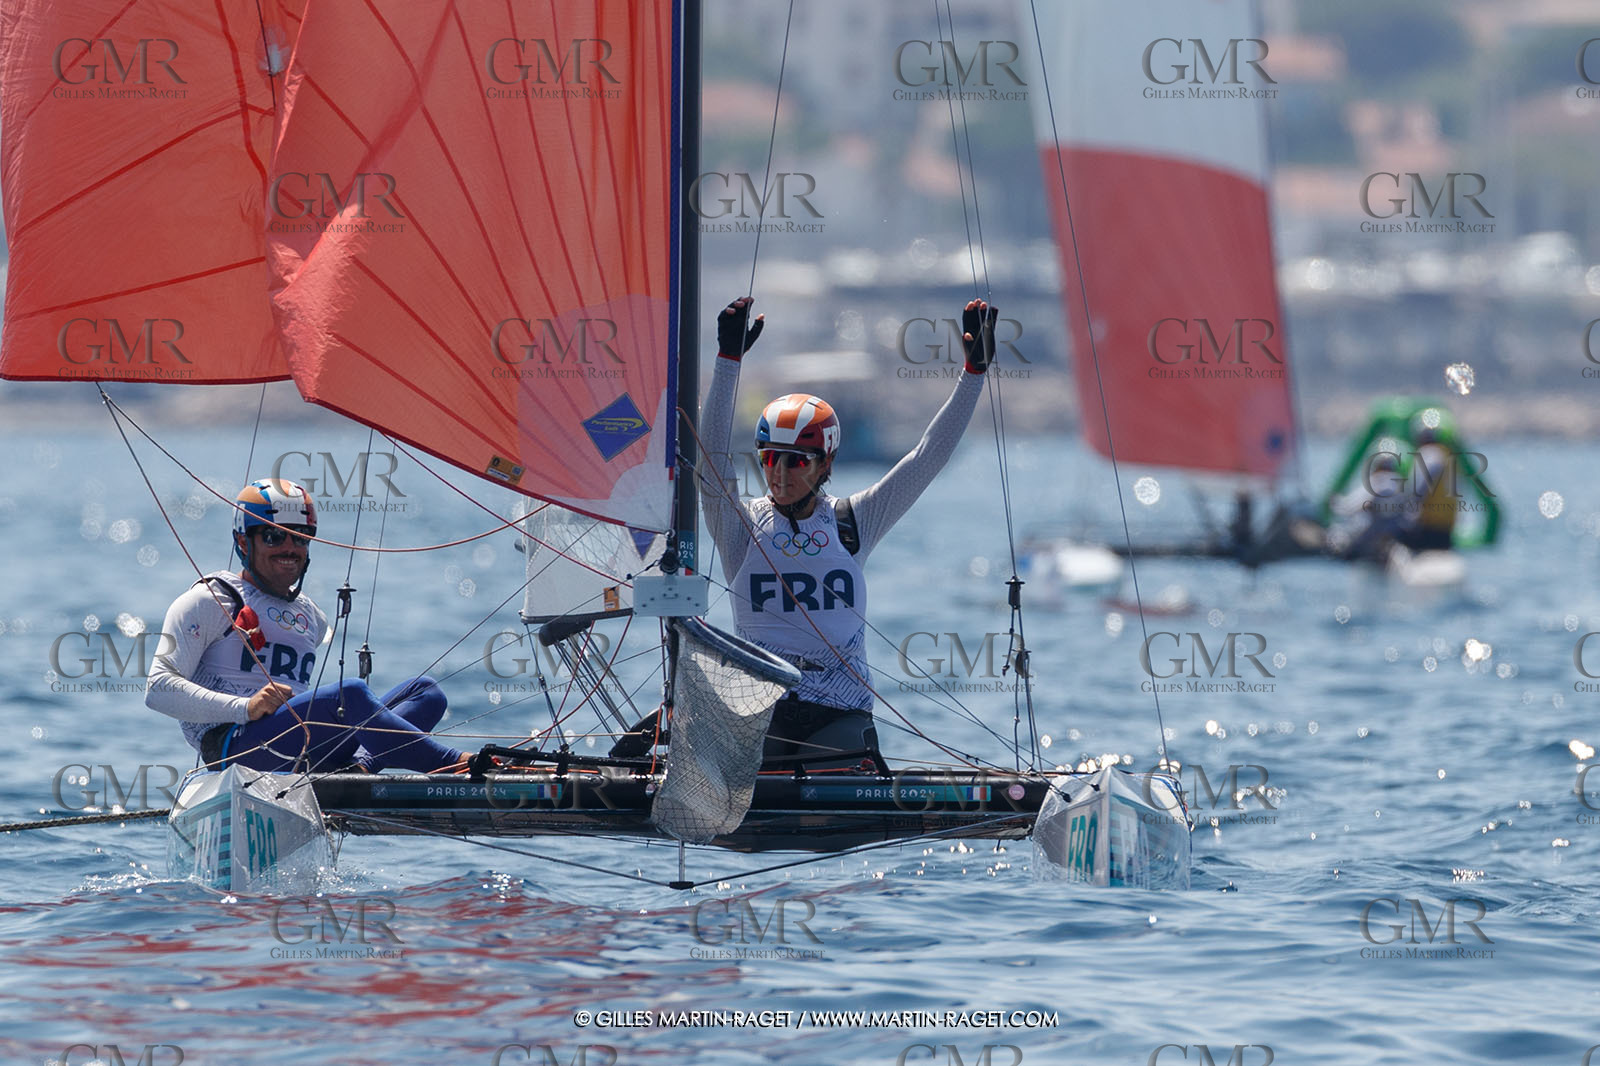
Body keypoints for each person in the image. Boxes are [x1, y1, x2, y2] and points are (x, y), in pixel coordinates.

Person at [699, 295, 995, 769]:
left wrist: (973, 374)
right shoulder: (740, 528)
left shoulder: (854, 521)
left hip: (839, 713)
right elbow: (711, 460)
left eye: (796, 461)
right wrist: (728, 360)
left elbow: (927, 456)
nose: (779, 473)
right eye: (769, 458)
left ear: (825, 464)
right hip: (761, 712)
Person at [147, 478, 466, 774]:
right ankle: (454, 763)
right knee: (350, 694)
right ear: (243, 543)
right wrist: (246, 707)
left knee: (427, 692)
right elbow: (158, 689)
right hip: (236, 747)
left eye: (300, 536)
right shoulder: (209, 600)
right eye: (274, 536)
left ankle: (357, 772)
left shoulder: (312, 617)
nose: (290, 548)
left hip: (299, 747)